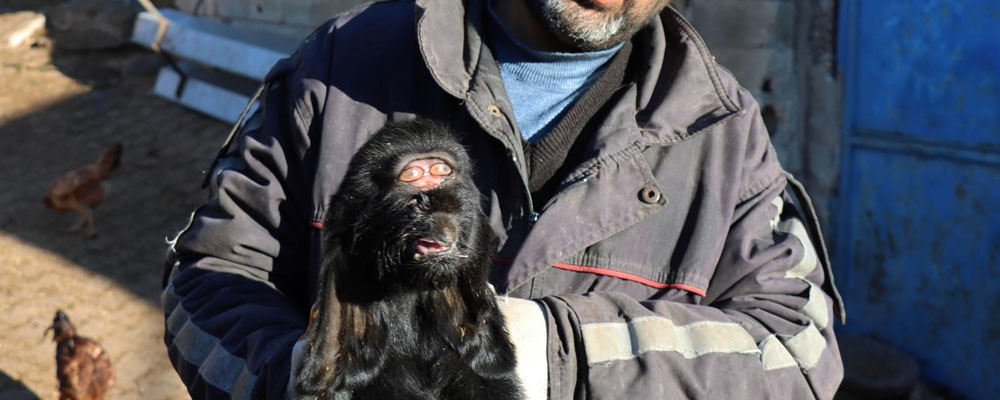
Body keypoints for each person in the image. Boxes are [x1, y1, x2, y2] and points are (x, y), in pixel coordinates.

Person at [162, 0, 846, 398]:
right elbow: (208, 281)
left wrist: (559, 356)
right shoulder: (342, 67)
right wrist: (300, 380)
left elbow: (801, 358)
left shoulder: (723, 133)